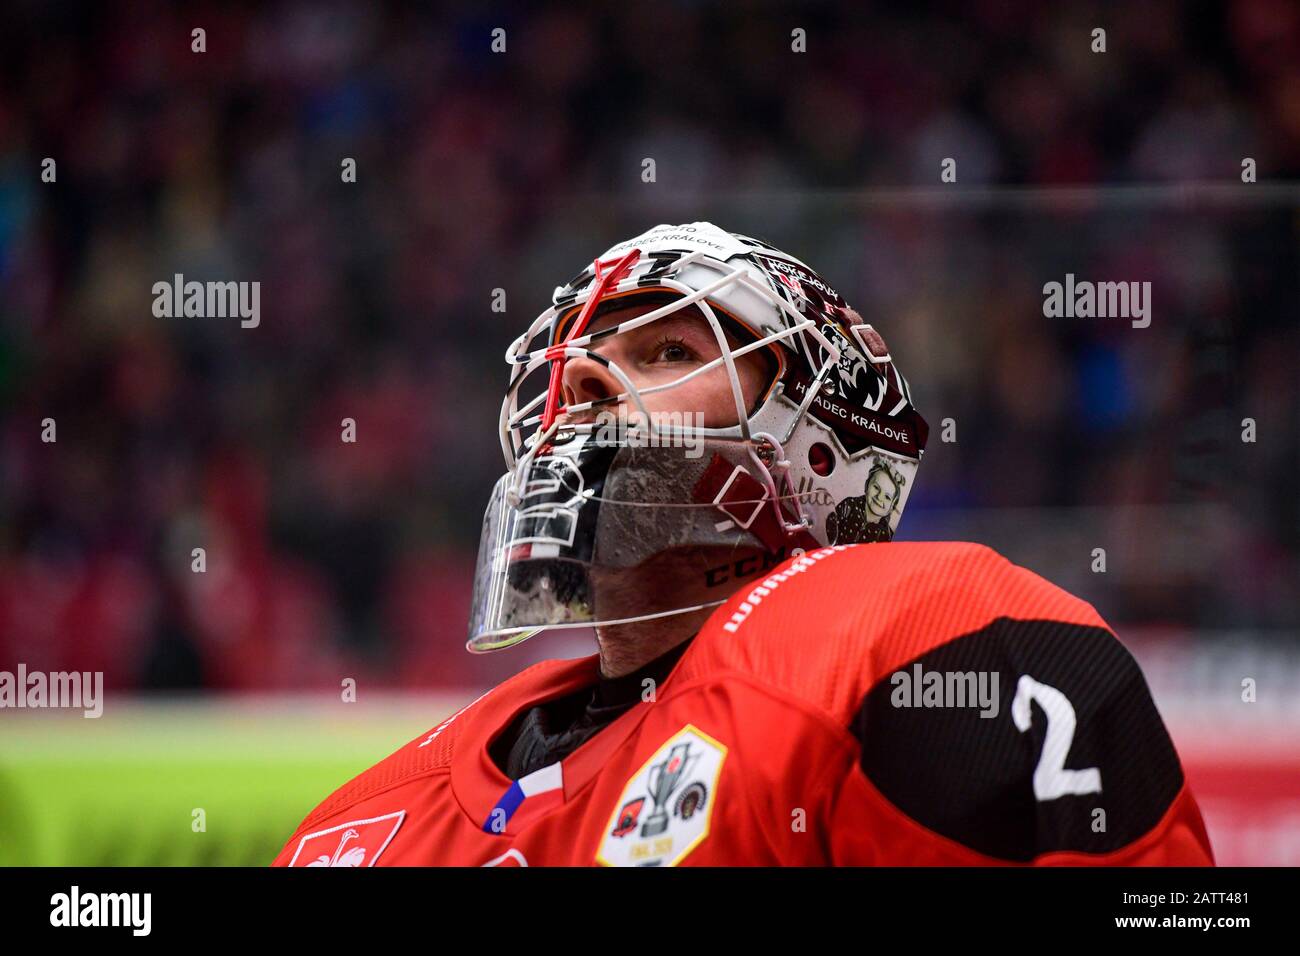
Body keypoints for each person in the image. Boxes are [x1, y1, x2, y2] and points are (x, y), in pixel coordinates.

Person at [273, 222, 1213, 866]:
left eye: (669, 353)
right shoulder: (361, 825)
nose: (588, 385)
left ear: (810, 437)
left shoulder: (920, 639)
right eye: (577, 367)